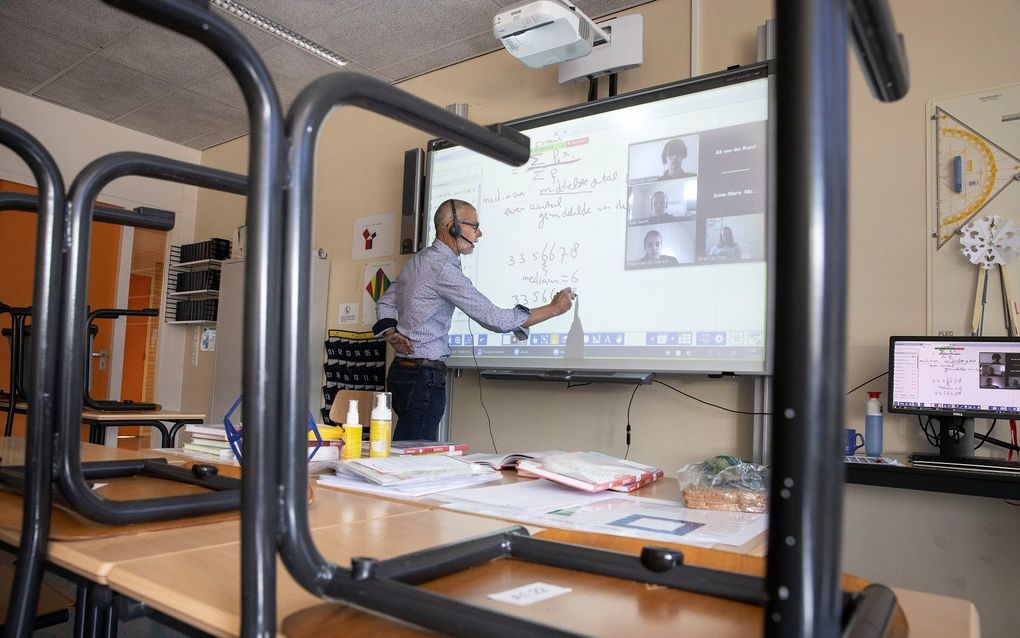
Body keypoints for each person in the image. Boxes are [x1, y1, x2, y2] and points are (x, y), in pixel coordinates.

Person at [374, 199, 574, 441]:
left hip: (401, 373)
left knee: (404, 452)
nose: (479, 234)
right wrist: (553, 309)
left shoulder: (419, 260)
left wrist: (391, 334)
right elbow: (494, 318)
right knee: (410, 462)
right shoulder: (443, 269)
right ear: (452, 227)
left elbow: (385, 302)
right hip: (423, 379)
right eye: (474, 226)